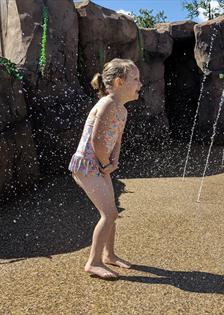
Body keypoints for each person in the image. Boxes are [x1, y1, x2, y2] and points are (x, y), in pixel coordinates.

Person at [69, 58, 142, 279]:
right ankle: (94, 262)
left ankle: (109, 255)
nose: (140, 84)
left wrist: (113, 162)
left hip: (100, 165)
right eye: (136, 79)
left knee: (113, 212)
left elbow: (116, 140)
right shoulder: (107, 104)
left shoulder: (123, 111)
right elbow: (97, 141)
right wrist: (105, 164)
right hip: (86, 165)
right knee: (108, 214)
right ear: (120, 82)